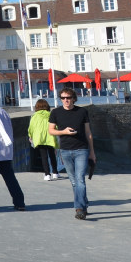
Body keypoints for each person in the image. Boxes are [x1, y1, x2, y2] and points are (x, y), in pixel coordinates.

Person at [48, 87, 96, 220]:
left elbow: (88, 133)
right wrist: (64, 132)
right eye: (63, 98)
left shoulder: (82, 111)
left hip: (81, 149)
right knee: (74, 181)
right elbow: (51, 130)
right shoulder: (56, 112)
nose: (65, 100)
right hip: (65, 150)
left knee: (80, 179)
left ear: (73, 98)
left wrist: (92, 152)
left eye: (68, 98)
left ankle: (79, 208)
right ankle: (84, 204)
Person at [28, 98, 59, 181]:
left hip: (39, 138)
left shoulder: (34, 116)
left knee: (44, 156)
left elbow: (31, 127)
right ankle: (55, 173)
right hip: (50, 136)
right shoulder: (50, 114)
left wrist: (30, 135)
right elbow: (56, 126)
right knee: (52, 155)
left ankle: (47, 174)